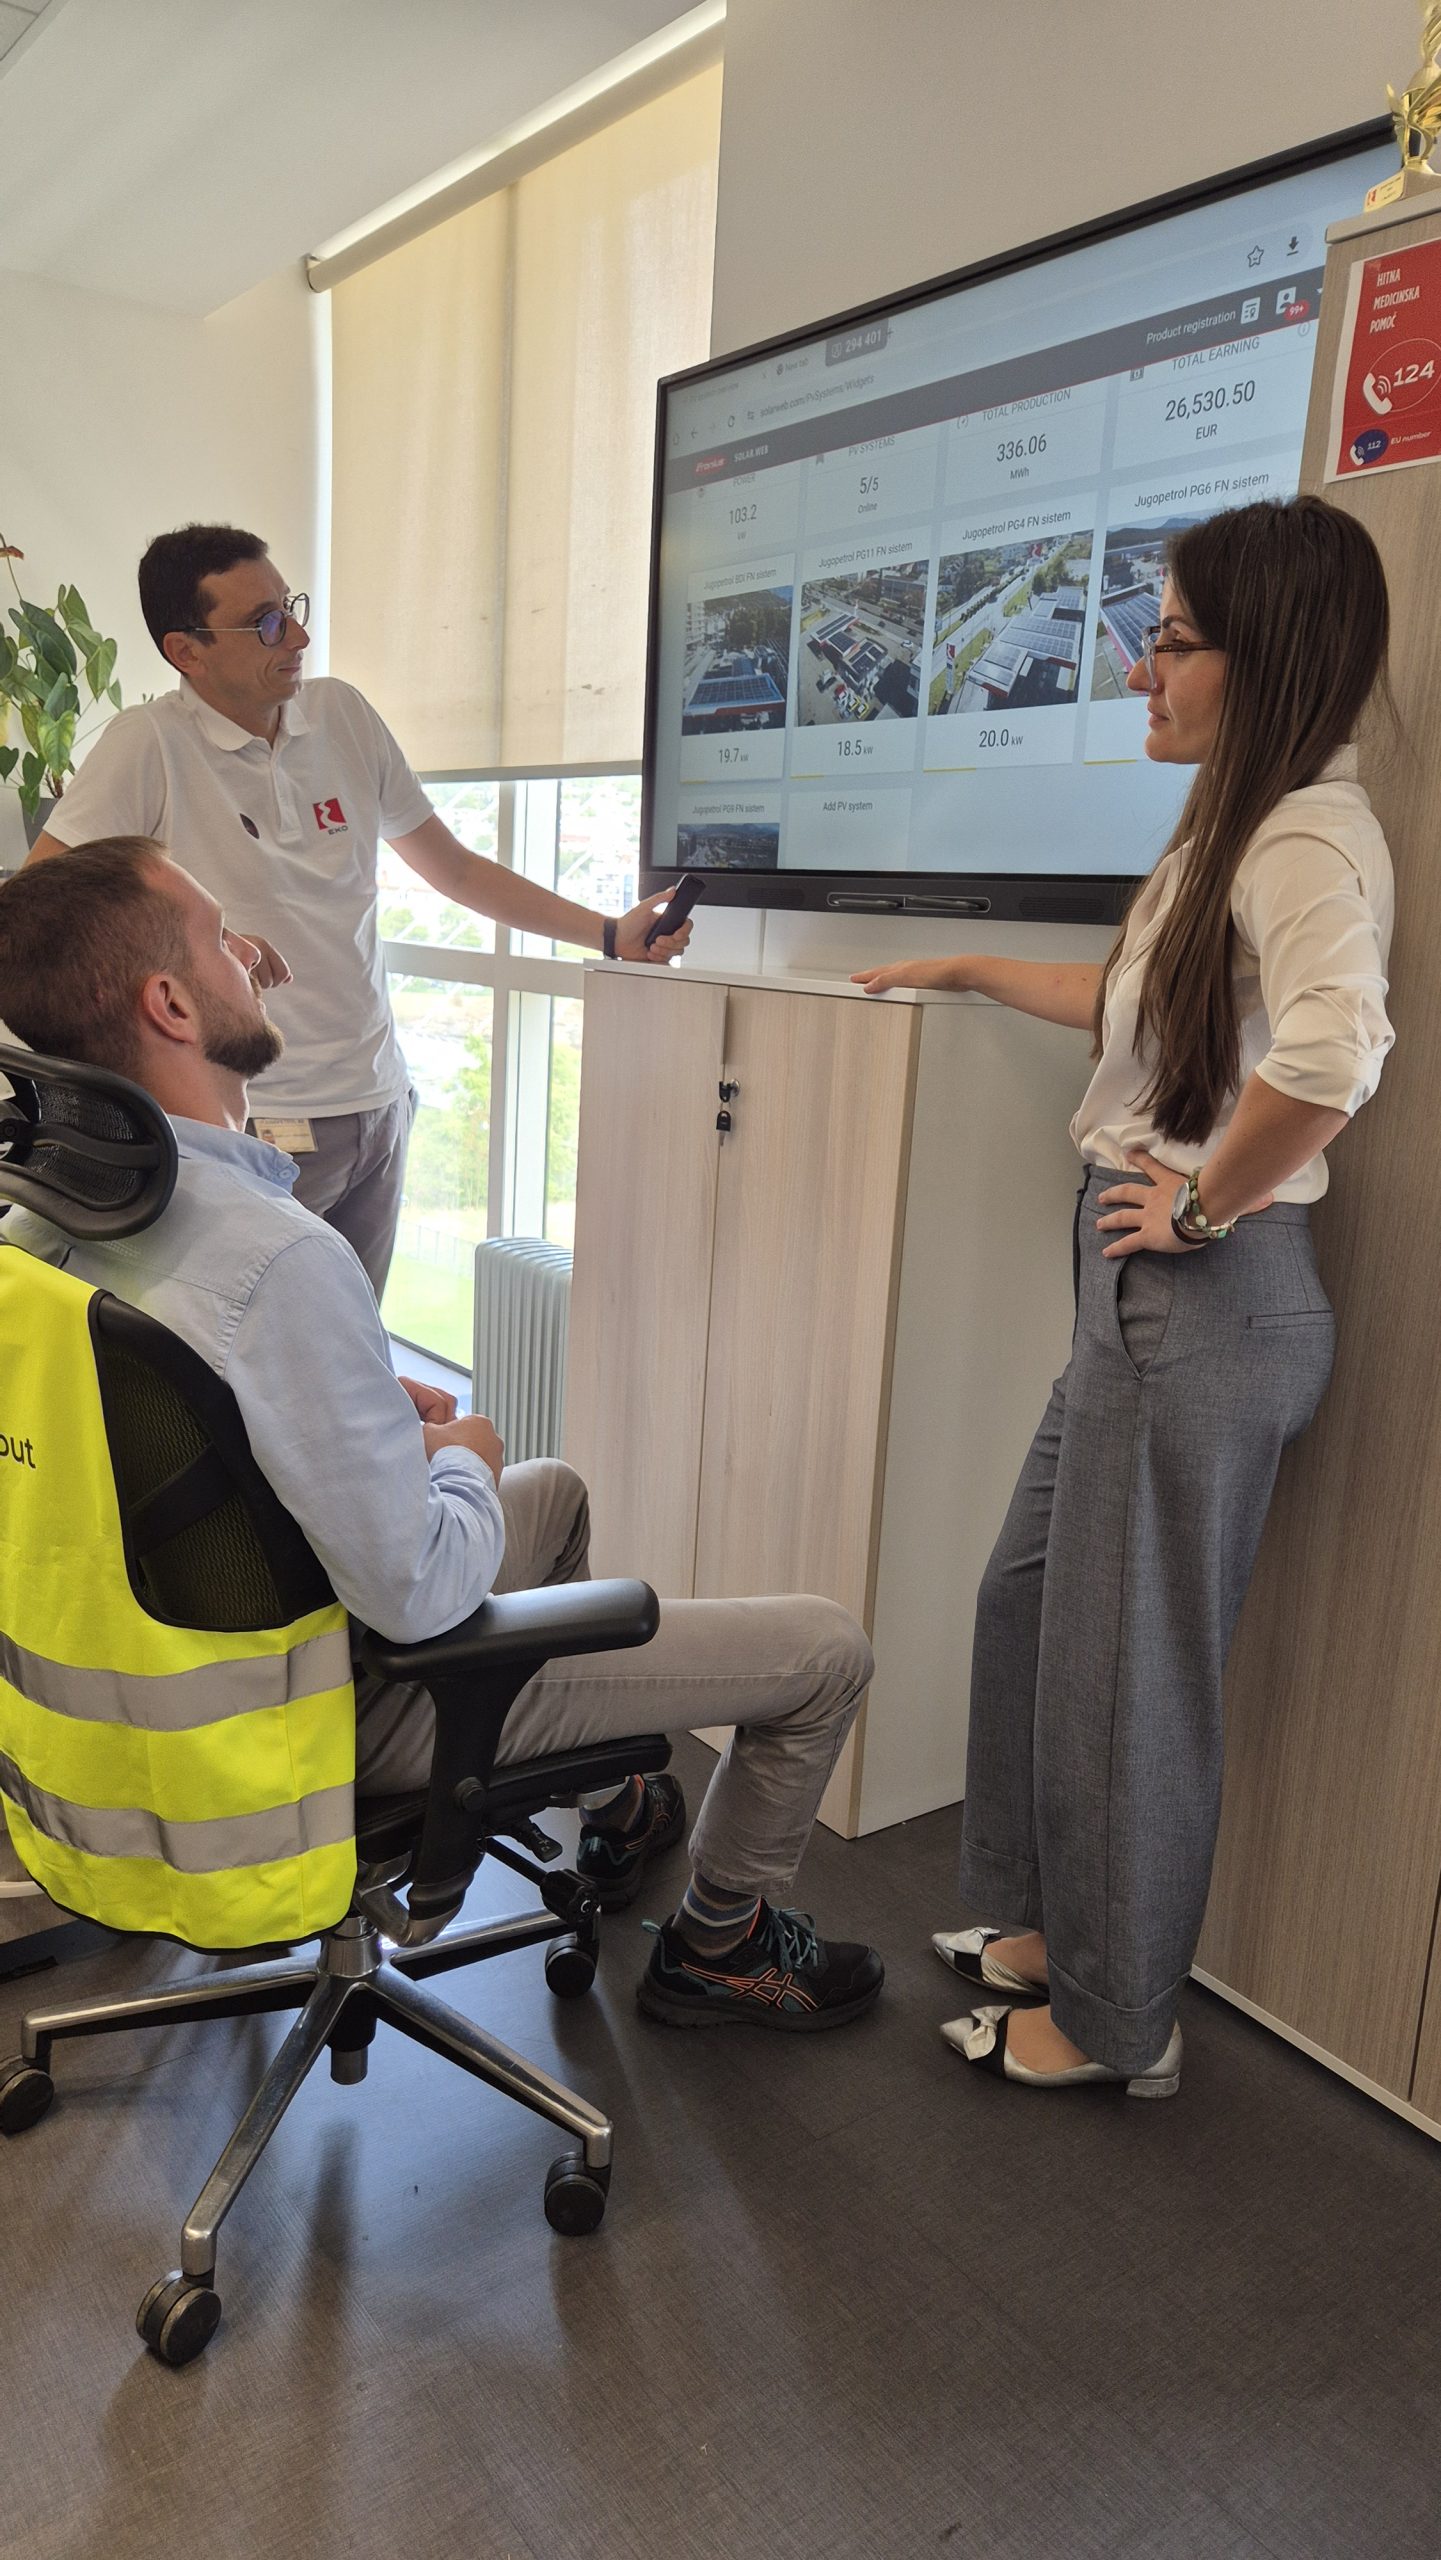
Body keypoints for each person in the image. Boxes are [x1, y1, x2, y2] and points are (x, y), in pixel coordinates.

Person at [0, 837, 882, 2032]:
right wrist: (464, 1446)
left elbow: (171, 1454)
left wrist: (363, 1431)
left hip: (149, 1715)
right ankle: (718, 1947)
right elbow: (417, 1591)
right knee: (825, 1650)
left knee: (558, 1494)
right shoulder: (271, 1258)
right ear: (168, 1003)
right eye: (221, 939)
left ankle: (620, 1802)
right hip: (320, 1721)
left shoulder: (38, 1224)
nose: (250, 958)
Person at [853, 494, 1394, 2096]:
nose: (1137, 669)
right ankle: (1045, 1924)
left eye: (1169, 641)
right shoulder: (1237, 821)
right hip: (1135, 1300)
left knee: (1126, 1678)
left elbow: (1335, 1050)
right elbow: (1127, 1003)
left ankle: (1110, 2020)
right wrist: (952, 969)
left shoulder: (1300, 832)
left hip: (1199, 1307)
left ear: (1263, 656)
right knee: (1031, 1607)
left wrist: (1207, 1202)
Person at [24, 525, 690, 1297]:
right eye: (266, 621)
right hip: (253, 1125)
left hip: (377, 1104)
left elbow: (456, 868)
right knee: (252, 1369)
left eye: (291, 606)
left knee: (354, 1351)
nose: (298, 634)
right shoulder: (148, 744)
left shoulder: (342, 715)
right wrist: (202, 935)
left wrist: (608, 934)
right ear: (187, 651)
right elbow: (41, 906)